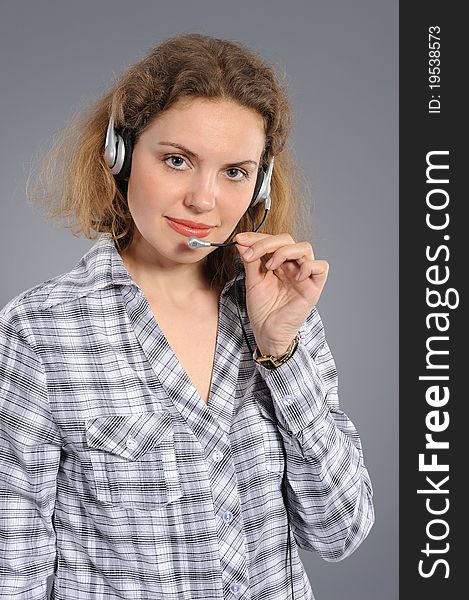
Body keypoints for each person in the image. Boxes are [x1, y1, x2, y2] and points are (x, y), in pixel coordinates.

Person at [0, 33, 374, 599]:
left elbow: (340, 532)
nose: (204, 199)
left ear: (261, 182)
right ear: (119, 155)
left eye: (234, 172)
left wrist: (281, 351)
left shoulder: (282, 318)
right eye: (177, 161)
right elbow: (14, 563)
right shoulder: (40, 331)